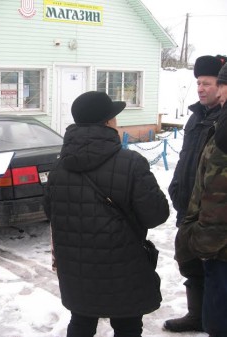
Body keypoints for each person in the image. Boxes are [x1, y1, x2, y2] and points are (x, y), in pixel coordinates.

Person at [43, 91, 169, 337]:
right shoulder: (132, 162)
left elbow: (51, 211)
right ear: (108, 122)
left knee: (81, 322)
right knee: (127, 326)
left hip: (77, 267)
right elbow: (156, 215)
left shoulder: (59, 166)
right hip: (125, 264)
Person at [165, 54, 227, 333]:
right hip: (188, 206)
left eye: (208, 83)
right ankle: (197, 315)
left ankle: (213, 320)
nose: (201, 88)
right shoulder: (195, 118)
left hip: (212, 213)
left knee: (214, 272)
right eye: (198, 83)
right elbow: (186, 159)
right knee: (190, 265)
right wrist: (176, 186)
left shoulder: (221, 123)